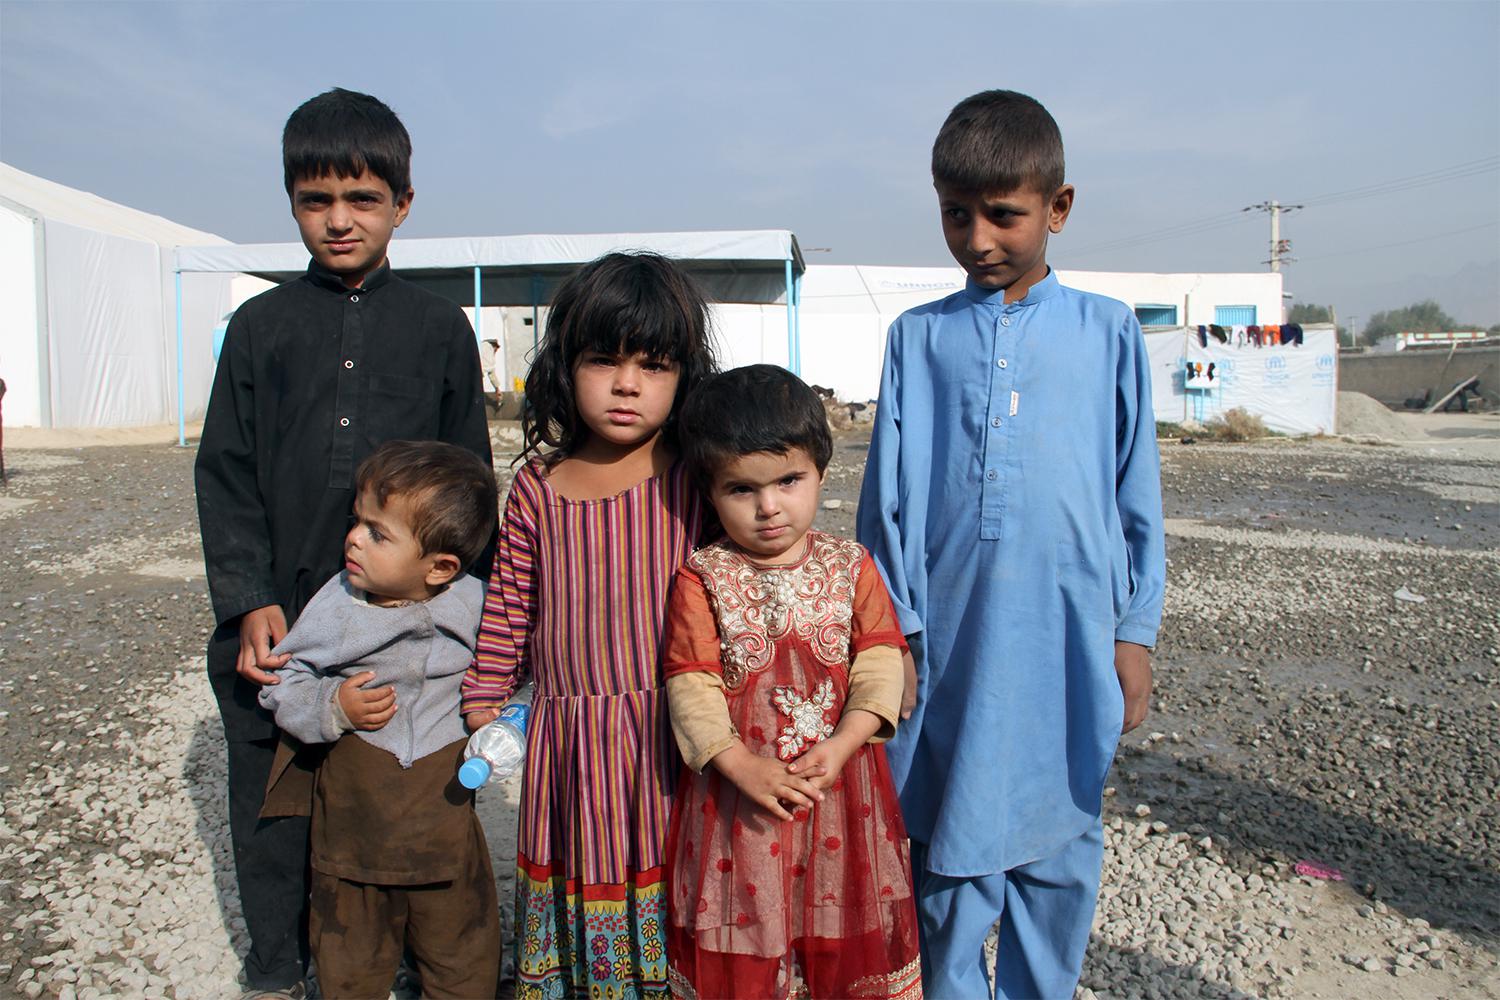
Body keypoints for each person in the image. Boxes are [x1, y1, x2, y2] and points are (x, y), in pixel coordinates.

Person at [856, 89, 1166, 999]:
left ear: (1058, 210)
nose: (978, 237)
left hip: (1066, 639)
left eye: (1004, 214)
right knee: (946, 850)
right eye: (957, 214)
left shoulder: (1107, 332)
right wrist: (895, 634)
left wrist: (1135, 630)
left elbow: (1134, 493)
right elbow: (887, 510)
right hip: (948, 640)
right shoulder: (917, 338)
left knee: (1061, 837)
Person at [194, 88, 493, 999]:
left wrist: (461, 621)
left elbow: (469, 482)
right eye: (316, 199)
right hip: (284, 605)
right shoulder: (260, 328)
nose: (339, 220)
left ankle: (416, 947)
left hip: (407, 614)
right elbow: (227, 470)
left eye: (362, 199)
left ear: (404, 204)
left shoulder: (440, 330)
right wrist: (248, 598)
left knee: (407, 779)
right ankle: (282, 960)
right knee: (275, 785)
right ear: (291, 202)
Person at [461, 252, 718, 999]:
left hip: (669, 733)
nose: (627, 383)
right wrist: (486, 696)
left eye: (654, 365)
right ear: (565, 366)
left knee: (674, 874)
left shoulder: (694, 478)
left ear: (683, 375)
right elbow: (510, 604)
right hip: (569, 738)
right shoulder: (540, 487)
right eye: (603, 360)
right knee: (582, 863)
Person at [661, 365, 922, 1000]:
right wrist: (738, 766)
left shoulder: (852, 565)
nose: (768, 505)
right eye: (741, 489)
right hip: (738, 802)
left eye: (788, 480)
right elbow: (690, 682)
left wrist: (847, 742)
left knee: (837, 926)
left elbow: (882, 660)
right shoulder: (703, 576)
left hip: (841, 789)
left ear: (821, 473)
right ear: (711, 492)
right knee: (746, 933)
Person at [258, 441, 502, 998]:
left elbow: (512, 661)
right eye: (358, 521)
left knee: (463, 949)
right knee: (351, 954)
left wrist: (503, 710)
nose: (353, 538)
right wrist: (332, 707)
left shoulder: (475, 604)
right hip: (355, 832)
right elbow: (283, 681)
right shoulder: (339, 604)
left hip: (442, 825)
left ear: (441, 568)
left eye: (378, 533)